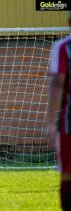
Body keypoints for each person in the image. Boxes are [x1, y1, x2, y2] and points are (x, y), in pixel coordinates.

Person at [47, 14, 71, 211]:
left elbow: (58, 84)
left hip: (68, 124)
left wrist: (50, 123)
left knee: (67, 174)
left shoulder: (64, 47)